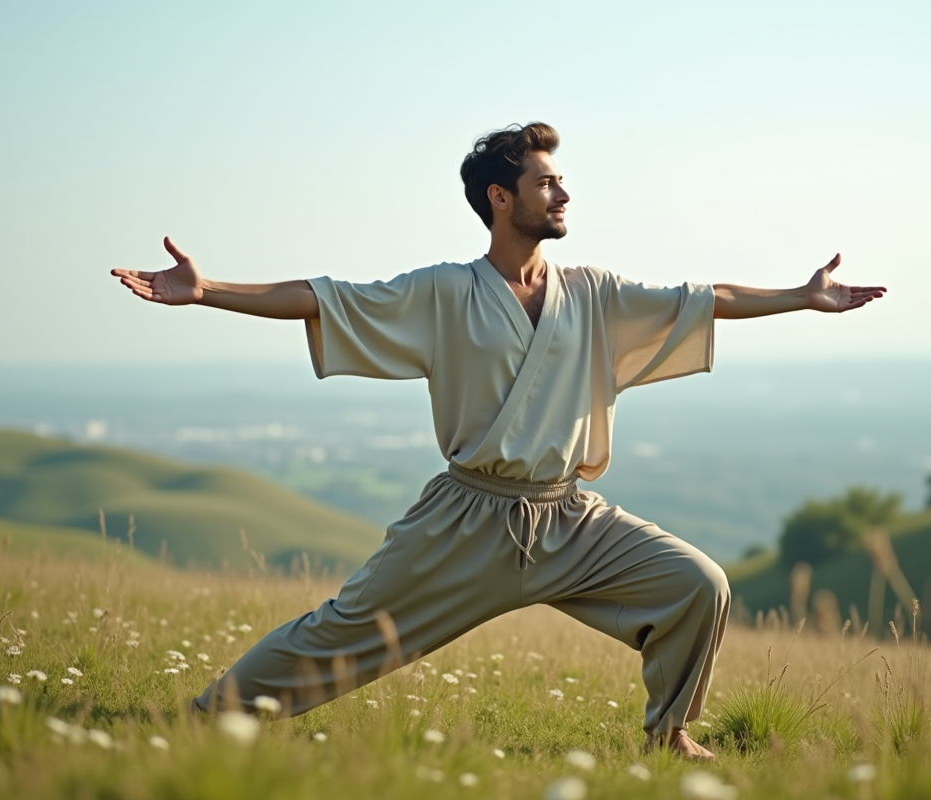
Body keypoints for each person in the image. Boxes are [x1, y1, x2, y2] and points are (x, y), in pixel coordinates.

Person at [111, 122, 885, 759]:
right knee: (340, 632)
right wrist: (208, 291)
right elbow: (324, 299)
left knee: (699, 585)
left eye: (559, 181)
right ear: (500, 196)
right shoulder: (444, 291)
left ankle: (669, 735)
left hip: (570, 519)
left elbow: (703, 299)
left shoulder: (594, 293)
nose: (564, 193)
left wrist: (799, 296)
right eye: (547, 182)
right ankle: (208, 716)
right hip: (466, 521)